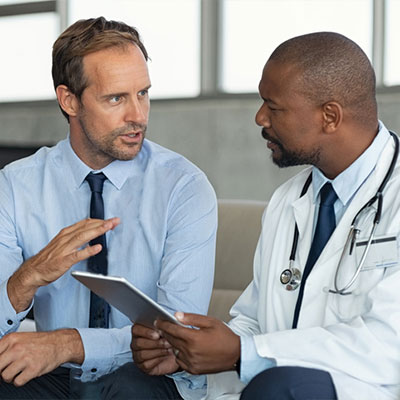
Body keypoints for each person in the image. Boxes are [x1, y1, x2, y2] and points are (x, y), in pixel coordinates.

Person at [128, 32, 400, 400]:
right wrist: (190, 353)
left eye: (274, 107)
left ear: (330, 116)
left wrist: (244, 354)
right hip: (277, 387)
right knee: (129, 385)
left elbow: (388, 345)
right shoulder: (288, 200)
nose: (260, 118)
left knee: (280, 389)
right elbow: (255, 321)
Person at [0, 16, 217, 399]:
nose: (138, 115)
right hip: (54, 377)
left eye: (143, 93)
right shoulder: (16, 187)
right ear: (70, 101)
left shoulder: (184, 187)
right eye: (116, 98)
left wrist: (69, 343)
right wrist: (27, 278)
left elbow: (176, 335)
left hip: (149, 377)